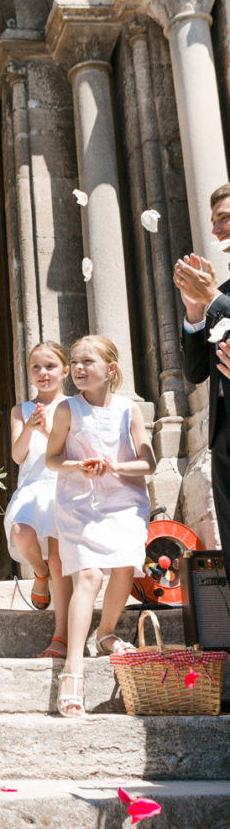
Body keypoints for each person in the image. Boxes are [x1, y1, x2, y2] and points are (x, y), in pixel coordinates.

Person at [45, 335, 155, 719]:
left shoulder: (128, 409)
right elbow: (52, 459)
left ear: (111, 369)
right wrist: (80, 466)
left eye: (87, 361)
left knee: (124, 565)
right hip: (80, 502)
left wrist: (115, 467)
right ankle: (73, 669)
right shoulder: (66, 409)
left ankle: (106, 632)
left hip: (123, 499)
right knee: (89, 575)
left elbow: (149, 463)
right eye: (74, 361)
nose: (77, 368)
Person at [3, 341, 73, 658]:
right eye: (36, 367)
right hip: (33, 485)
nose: (43, 373)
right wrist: (30, 429)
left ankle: (60, 637)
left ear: (65, 371)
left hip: (63, 486)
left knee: (59, 559)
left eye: (50, 367)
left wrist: (47, 431)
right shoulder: (21, 410)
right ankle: (38, 573)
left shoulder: (75, 406)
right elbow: (18, 456)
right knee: (21, 531)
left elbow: (74, 454)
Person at [175, 183, 230, 564]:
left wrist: (213, 299)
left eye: (224, 218)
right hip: (224, 437)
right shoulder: (222, 290)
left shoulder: (220, 295)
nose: (215, 230)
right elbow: (196, 372)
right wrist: (196, 312)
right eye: (214, 221)